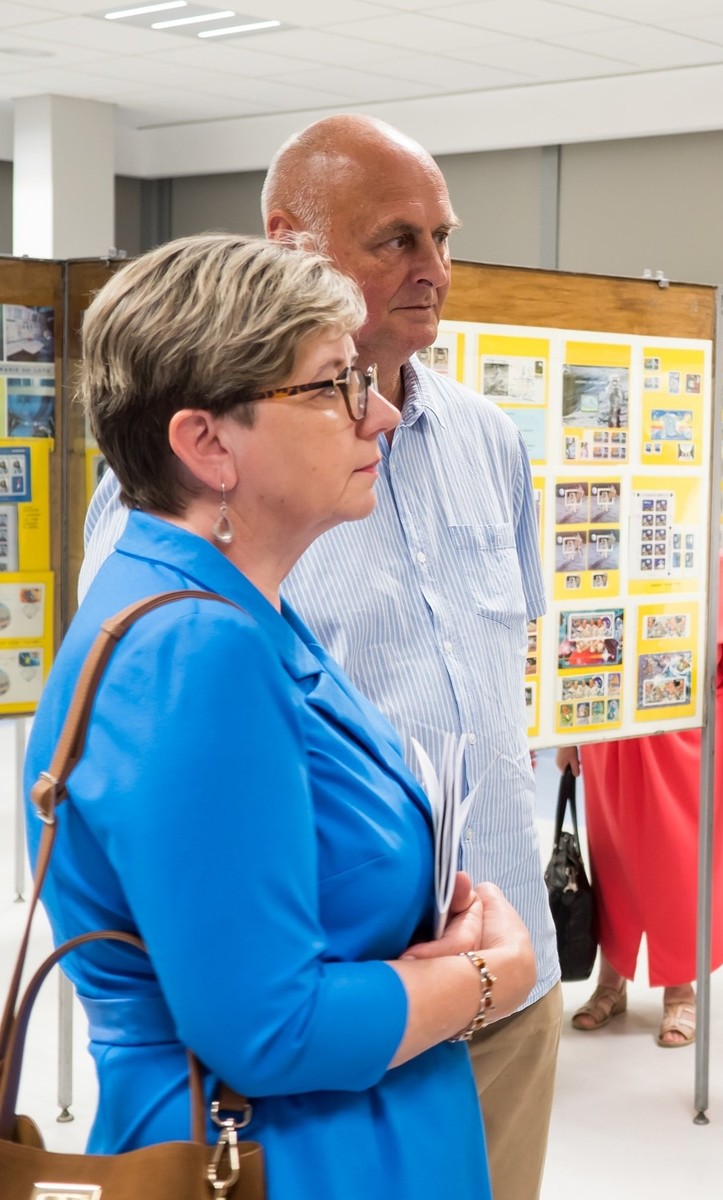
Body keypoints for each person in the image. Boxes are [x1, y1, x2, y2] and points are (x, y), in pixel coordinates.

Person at [79, 114, 563, 1199]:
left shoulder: (485, 439)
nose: (434, 269)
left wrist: (498, 968)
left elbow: (500, 675)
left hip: (492, 972)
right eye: (397, 239)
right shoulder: (187, 579)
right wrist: (473, 976)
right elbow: (255, 1008)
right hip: (334, 1034)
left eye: (443, 237)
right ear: (288, 241)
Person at [556, 554, 723, 1047]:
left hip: (690, 738)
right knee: (612, 858)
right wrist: (568, 733)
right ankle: (611, 980)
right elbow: (580, 650)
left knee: (683, 865)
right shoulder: (606, 560)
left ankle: (680, 986)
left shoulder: (714, 563)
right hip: (612, 733)